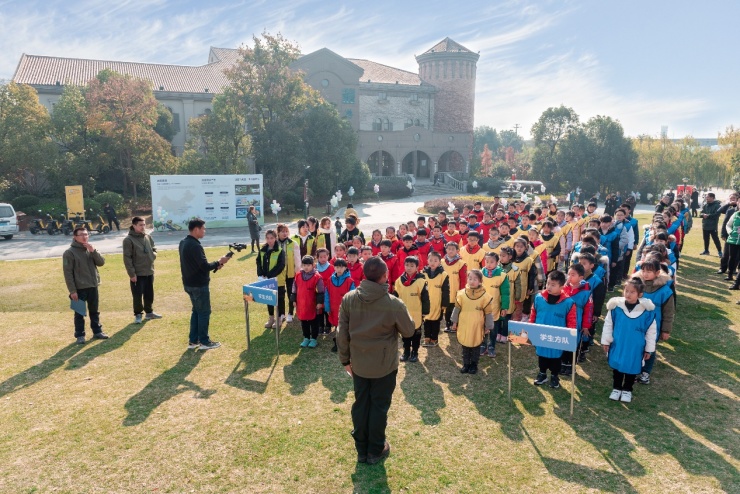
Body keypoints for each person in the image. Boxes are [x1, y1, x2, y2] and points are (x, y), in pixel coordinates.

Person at [336, 257, 416, 464]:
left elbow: (341, 333)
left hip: (359, 364)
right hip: (384, 365)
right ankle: (375, 449)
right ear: (385, 276)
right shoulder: (393, 303)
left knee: (362, 403)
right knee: (378, 406)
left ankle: (362, 449)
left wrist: (345, 360)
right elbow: (409, 330)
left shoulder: (349, 298)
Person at [601, 278, 657, 403]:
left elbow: (651, 332)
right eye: (626, 291)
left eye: (632, 292)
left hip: (635, 347)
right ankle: (616, 388)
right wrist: (606, 341)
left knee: (632, 366)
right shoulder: (616, 308)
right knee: (617, 365)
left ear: (640, 294)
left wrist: (649, 349)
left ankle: (627, 390)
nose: (628, 294)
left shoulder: (647, 312)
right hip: (618, 344)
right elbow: (608, 324)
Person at [179, 218, 231, 350]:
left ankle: (193, 340)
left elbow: (197, 266)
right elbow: (204, 265)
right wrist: (220, 262)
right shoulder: (195, 245)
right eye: (203, 229)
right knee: (204, 312)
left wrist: (216, 265)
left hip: (189, 284)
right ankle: (204, 341)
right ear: (196, 229)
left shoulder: (183, 242)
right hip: (198, 285)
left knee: (196, 311)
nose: (204, 231)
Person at [530, 271, 577, 389]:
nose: (549, 287)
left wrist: (570, 336)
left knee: (555, 357)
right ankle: (542, 373)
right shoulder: (539, 298)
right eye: (548, 283)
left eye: (553, 285)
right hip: (541, 334)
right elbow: (533, 313)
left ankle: (555, 376)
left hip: (558, 337)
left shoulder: (568, 303)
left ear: (561, 287)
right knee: (542, 355)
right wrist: (531, 328)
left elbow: (572, 321)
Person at [63, 227, 109, 344]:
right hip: (79, 288)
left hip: (93, 285)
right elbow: (68, 273)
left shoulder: (90, 249)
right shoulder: (69, 253)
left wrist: (93, 251)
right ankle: (80, 335)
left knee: (94, 311)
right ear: (75, 237)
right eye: (81, 235)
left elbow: (101, 263)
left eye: (86, 234)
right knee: (79, 313)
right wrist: (72, 290)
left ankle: (97, 331)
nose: (84, 237)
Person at [450, 270, 494, 375]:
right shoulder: (461, 294)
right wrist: (454, 322)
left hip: (477, 326)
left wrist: (488, 326)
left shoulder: (485, 296)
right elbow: (457, 309)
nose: (472, 281)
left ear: (480, 281)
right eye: (470, 278)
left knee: (475, 345)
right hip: (464, 325)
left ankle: (474, 365)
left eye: (475, 279)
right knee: (465, 345)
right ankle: (466, 364)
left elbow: (488, 313)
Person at [123, 216, 161, 324]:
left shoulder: (148, 237)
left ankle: (149, 312)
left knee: (149, 293)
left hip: (149, 270)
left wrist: (153, 255)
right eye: (140, 225)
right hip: (137, 273)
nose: (143, 227)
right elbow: (127, 258)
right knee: (137, 294)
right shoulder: (128, 240)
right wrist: (132, 274)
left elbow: (154, 248)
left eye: (144, 224)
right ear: (134, 225)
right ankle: (138, 314)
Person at [392, 256, 429, 363]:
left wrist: (425, 312)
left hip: (416, 312)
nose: (409, 268)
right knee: (405, 333)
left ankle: (415, 352)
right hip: (403, 313)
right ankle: (406, 351)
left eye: (412, 266)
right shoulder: (399, 281)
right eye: (407, 265)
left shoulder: (421, 281)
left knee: (416, 333)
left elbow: (425, 298)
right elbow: (395, 296)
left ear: (417, 267)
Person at [291, 255, 325, 348]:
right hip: (301, 304)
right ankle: (306, 337)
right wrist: (293, 299)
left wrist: (319, 302)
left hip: (312, 304)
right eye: (304, 265)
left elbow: (321, 291)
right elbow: (294, 288)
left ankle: (313, 338)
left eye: (308, 265)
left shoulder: (317, 277)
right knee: (303, 321)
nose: (306, 267)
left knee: (313, 322)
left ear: (313, 265)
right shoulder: (298, 275)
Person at [257, 229, 286, 329]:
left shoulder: (280, 251)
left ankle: (279, 318)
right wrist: (261, 274)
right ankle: (271, 318)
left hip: (278, 280)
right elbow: (258, 262)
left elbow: (281, 265)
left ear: (275, 238)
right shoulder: (262, 250)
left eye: (272, 238)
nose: (270, 240)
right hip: (266, 280)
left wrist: (270, 275)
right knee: (269, 299)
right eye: (268, 238)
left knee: (279, 299)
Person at [324, 258, 355, 352]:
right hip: (334, 308)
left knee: (345, 326)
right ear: (334, 268)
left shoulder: (350, 281)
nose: (339, 269)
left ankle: (346, 344)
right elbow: (327, 294)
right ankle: (338, 343)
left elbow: (353, 295)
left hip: (345, 308)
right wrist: (327, 307)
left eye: (342, 267)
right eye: (337, 267)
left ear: (345, 268)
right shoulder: (330, 280)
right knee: (337, 326)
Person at [422, 250, 449, 348]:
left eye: (435, 260)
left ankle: (434, 339)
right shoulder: (423, 273)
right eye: (431, 260)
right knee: (426, 321)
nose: (433, 262)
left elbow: (446, 290)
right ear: (427, 260)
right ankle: (427, 338)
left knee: (435, 322)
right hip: (426, 303)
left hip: (437, 303)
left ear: (439, 262)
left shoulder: (443, 274)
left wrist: (444, 303)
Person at [699, 192, 723, 257]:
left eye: (708, 197)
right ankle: (706, 250)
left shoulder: (717, 205)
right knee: (706, 239)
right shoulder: (705, 205)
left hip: (713, 226)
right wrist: (702, 215)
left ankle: (720, 251)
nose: (706, 198)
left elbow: (717, 214)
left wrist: (708, 215)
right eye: (706, 197)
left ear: (712, 198)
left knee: (715, 239)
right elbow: (700, 213)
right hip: (705, 225)